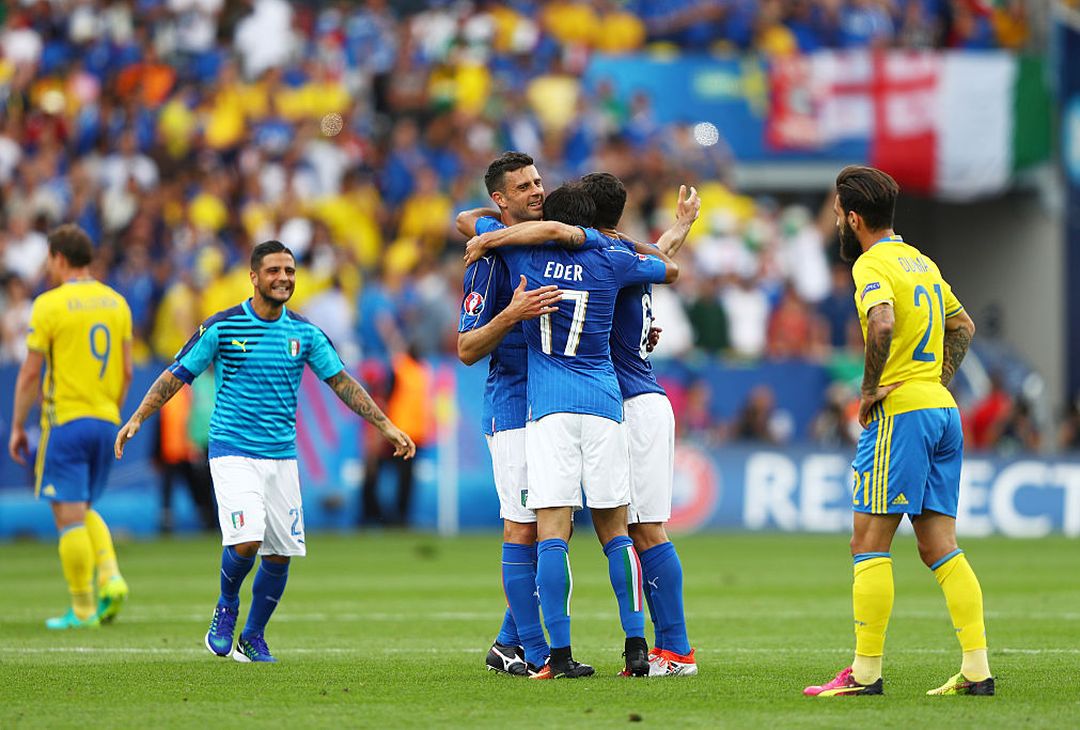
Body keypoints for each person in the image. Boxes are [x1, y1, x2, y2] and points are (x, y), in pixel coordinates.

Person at [114, 240, 415, 663]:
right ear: (254, 277)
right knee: (248, 538)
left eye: (289, 271)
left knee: (280, 552)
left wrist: (385, 425)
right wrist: (138, 418)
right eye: (274, 271)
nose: (283, 278)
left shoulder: (305, 333)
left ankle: (252, 637)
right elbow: (176, 374)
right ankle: (226, 606)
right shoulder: (223, 327)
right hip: (233, 451)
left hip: (281, 457)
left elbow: (343, 383)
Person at [472, 183, 679, 679]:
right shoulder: (611, 256)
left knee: (552, 534)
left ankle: (559, 655)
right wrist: (625, 239)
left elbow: (472, 223)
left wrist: (492, 236)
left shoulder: (524, 254)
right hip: (605, 405)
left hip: (549, 410)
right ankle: (636, 647)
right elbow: (668, 269)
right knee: (617, 534)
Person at [804, 166, 991, 697]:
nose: (836, 223)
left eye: (837, 215)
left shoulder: (871, 263)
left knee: (867, 541)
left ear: (854, 219)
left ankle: (864, 674)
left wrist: (869, 390)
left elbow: (882, 322)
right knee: (939, 546)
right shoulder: (920, 261)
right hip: (941, 409)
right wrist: (933, 382)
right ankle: (977, 670)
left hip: (901, 414)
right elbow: (963, 325)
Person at [579, 172, 700, 676]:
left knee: (646, 528)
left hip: (634, 404)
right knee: (635, 526)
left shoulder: (606, 259)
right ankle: (667, 648)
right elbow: (659, 253)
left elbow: (661, 259)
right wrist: (681, 226)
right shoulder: (626, 258)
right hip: (640, 400)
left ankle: (677, 650)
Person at [454, 151, 561, 677]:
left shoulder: (545, 245)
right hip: (514, 407)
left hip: (555, 406)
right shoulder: (489, 261)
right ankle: (535, 652)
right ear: (500, 199)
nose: (537, 191)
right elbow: (466, 347)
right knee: (522, 529)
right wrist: (512, 313)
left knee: (553, 530)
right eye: (523, 187)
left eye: (538, 182)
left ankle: (506, 643)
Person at [7, 224, 132, 629]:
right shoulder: (117, 303)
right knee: (85, 507)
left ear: (59, 258)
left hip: (65, 421)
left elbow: (30, 372)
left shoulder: (49, 304)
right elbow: (128, 371)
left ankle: (81, 609)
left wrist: (18, 425)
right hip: (106, 419)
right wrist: (111, 413)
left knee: (68, 515)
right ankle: (110, 576)